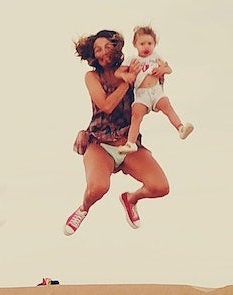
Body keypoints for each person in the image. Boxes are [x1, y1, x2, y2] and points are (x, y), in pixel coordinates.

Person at [64, 30, 172, 235]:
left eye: (107, 47)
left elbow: (151, 93)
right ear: (93, 55)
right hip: (100, 143)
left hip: (128, 143)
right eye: (97, 50)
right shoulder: (92, 76)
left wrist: (159, 71)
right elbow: (106, 105)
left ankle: (130, 199)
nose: (103, 53)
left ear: (116, 49)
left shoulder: (132, 67)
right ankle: (83, 208)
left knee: (160, 187)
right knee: (98, 188)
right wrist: (126, 82)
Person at [122, 23, 193, 152]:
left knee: (167, 106)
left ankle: (180, 128)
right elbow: (119, 72)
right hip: (142, 93)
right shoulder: (133, 59)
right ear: (135, 45)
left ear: (154, 44)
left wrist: (162, 70)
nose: (146, 47)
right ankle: (130, 143)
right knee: (136, 115)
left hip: (156, 91)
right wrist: (126, 75)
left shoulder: (156, 57)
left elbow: (169, 69)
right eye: (142, 44)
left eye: (150, 43)